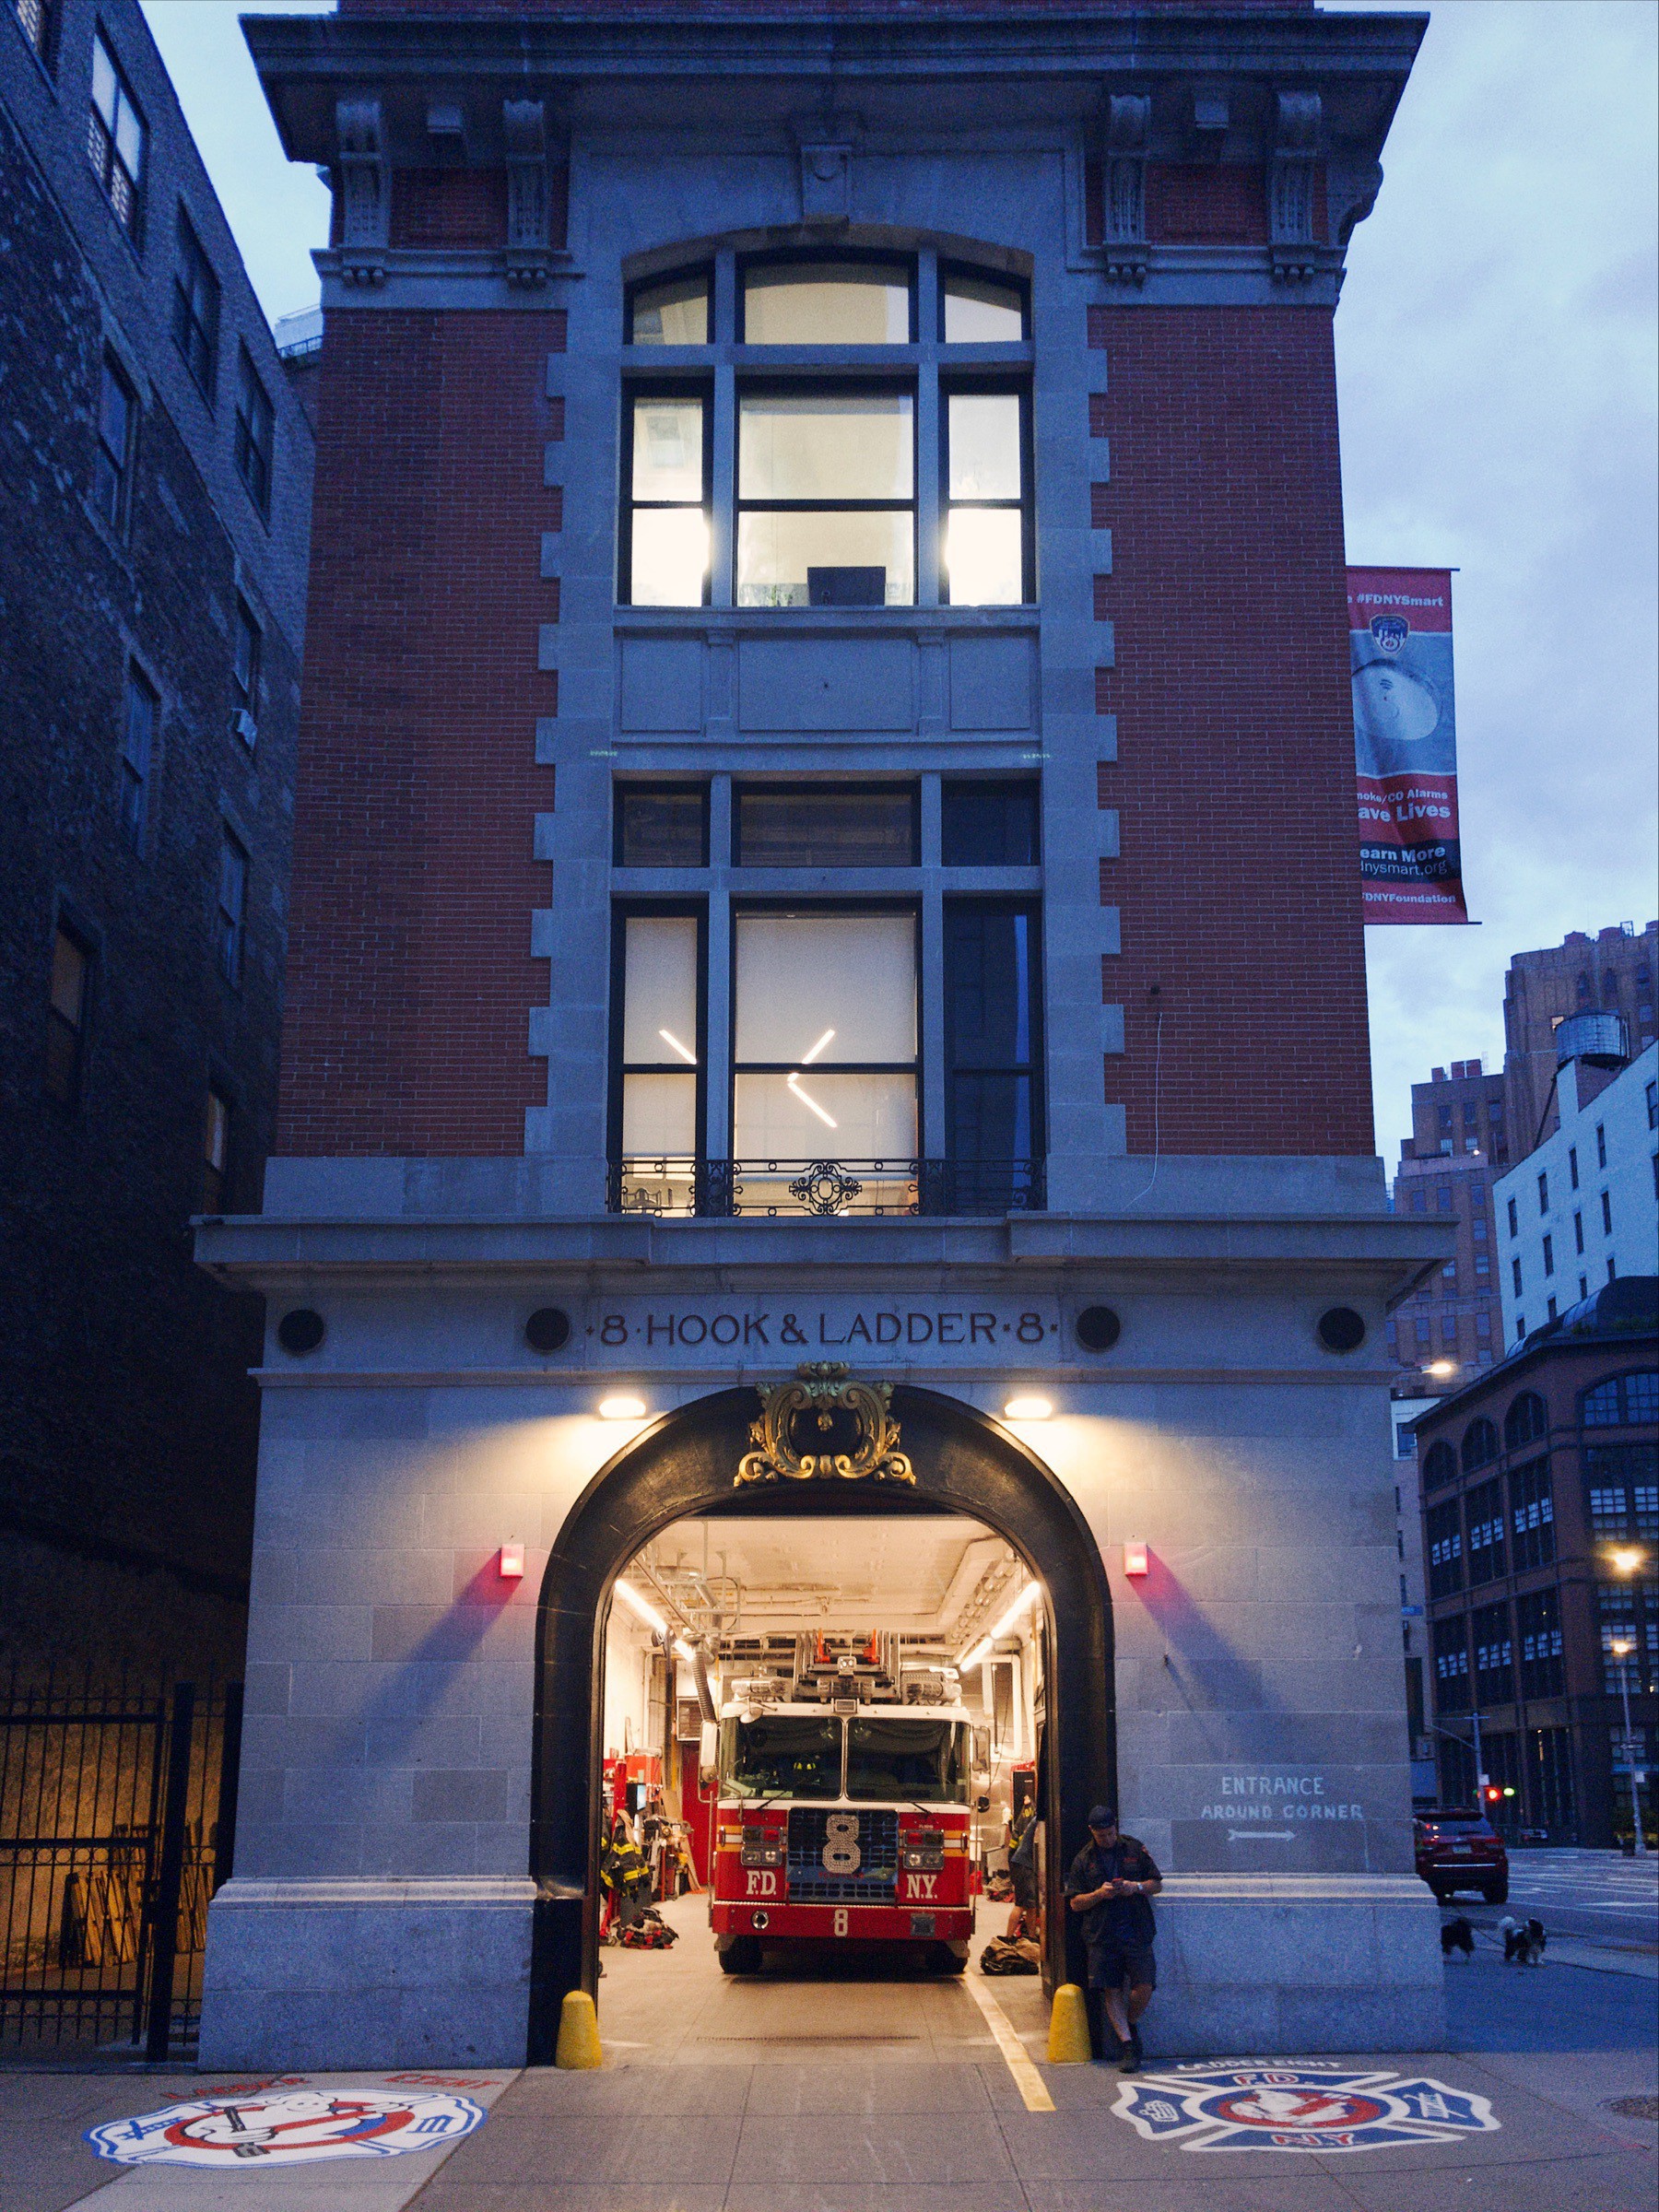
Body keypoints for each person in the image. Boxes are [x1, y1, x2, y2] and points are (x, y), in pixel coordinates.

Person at [1063, 1804, 1161, 2071]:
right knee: (1111, 1988)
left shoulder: (1134, 1849)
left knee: (1144, 1985)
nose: (1106, 1839)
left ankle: (1130, 2023)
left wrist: (1135, 1887)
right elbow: (1075, 1903)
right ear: (1091, 1831)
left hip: (1136, 1930)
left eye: (1110, 1834)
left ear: (1116, 1827)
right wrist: (1098, 1894)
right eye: (1101, 1835)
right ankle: (1127, 2045)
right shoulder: (1083, 1859)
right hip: (1102, 1933)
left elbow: (1156, 1884)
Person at [1006, 1807, 1041, 1945]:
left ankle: (1031, 1938)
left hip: (1023, 1865)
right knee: (1021, 1904)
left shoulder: (1036, 1821)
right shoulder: (1039, 1822)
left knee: (1031, 1905)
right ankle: (1008, 1938)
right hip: (1024, 1865)